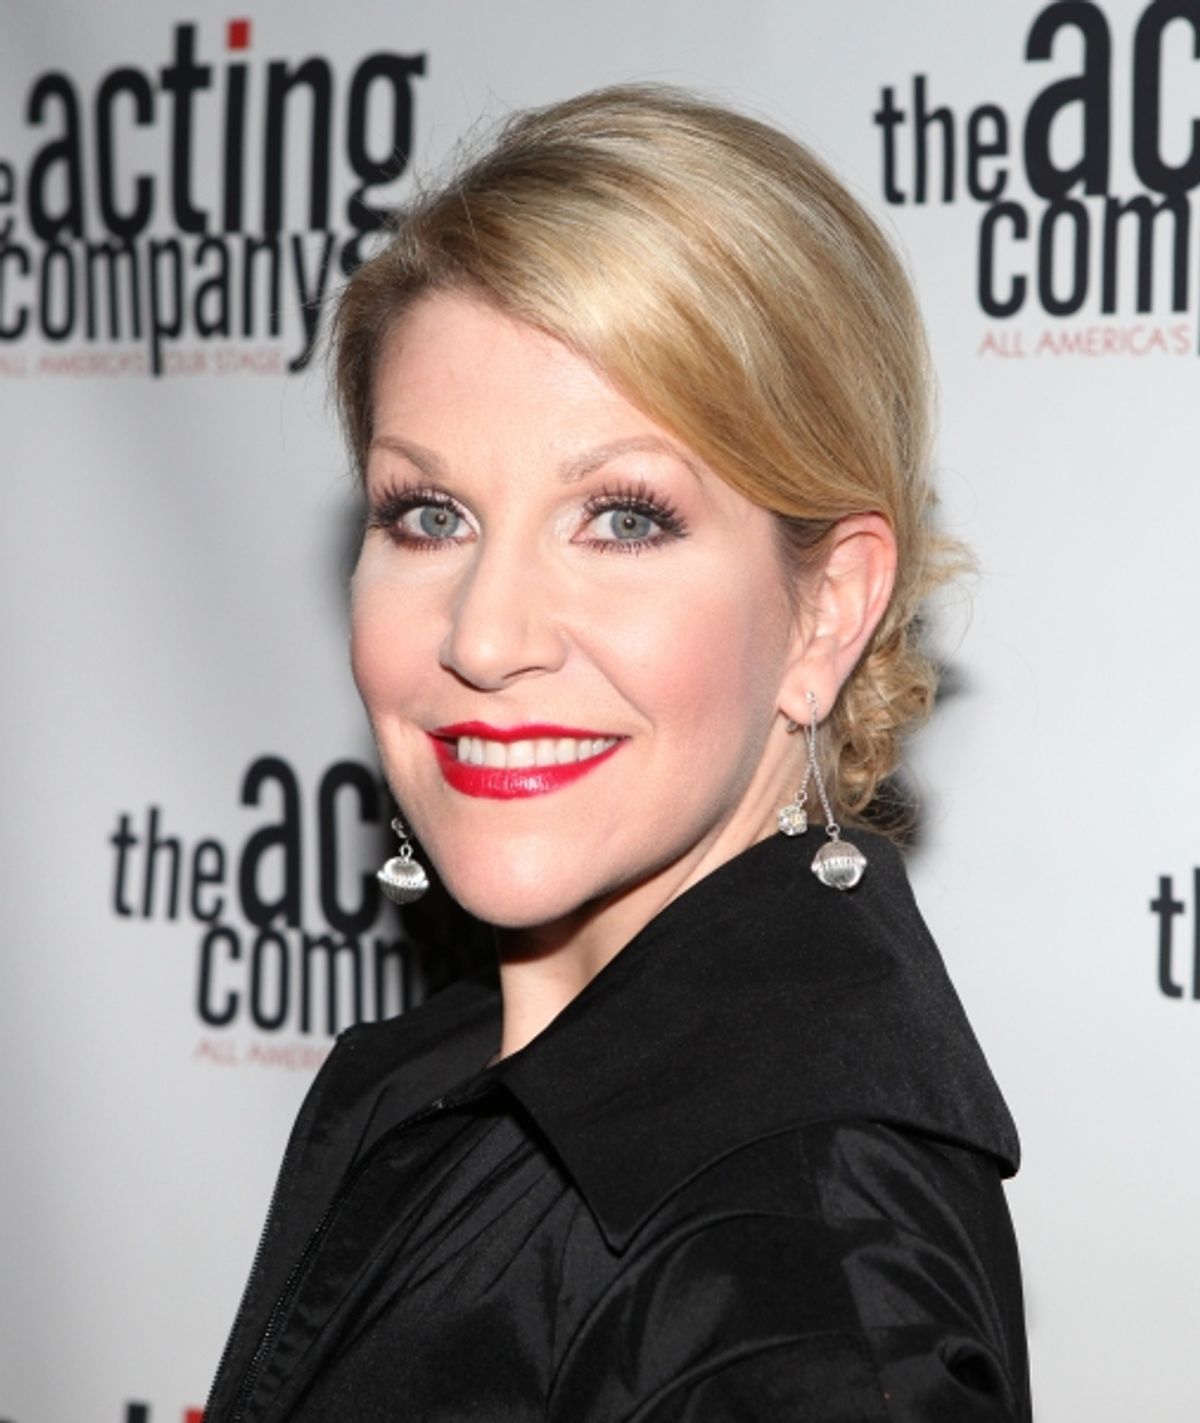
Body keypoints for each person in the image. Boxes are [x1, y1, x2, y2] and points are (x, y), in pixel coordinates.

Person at [206, 85, 1031, 1421]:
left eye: (624, 519)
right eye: (429, 514)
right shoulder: (419, 1082)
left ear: (826, 608)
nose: (486, 633)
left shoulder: (797, 1275)